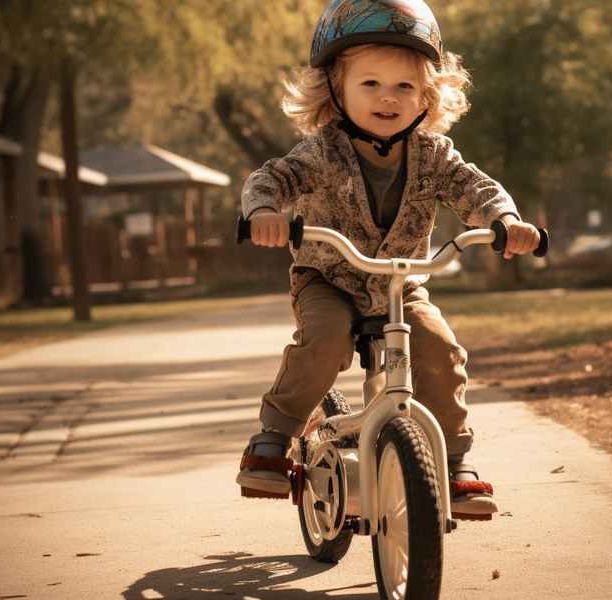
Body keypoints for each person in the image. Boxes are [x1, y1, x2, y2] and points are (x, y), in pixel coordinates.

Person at [237, 0, 540, 520]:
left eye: (404, 86)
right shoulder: (321, 153)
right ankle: (276, 434)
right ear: (335, 89)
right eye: (370, 84)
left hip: (400, 287)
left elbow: (476, 188)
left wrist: (505, 220)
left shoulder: (434, 155)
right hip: (327, 277)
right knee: (326, 339)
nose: (388, 98)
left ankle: (454, 461)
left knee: (441, 351)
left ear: (427, 94)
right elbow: (271, 179)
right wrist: (263, 211)